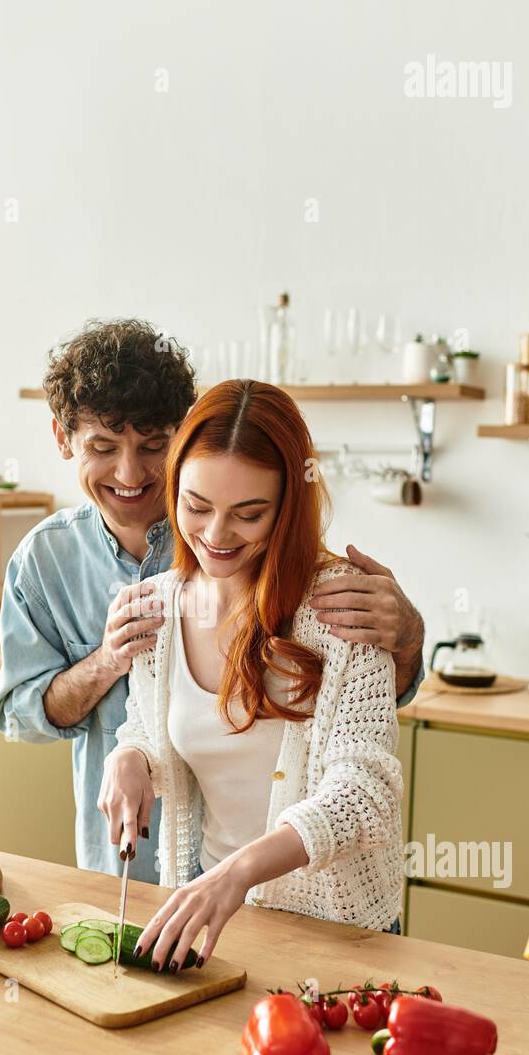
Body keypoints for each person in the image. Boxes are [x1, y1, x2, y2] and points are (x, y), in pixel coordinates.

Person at [0, 319, 424, 883]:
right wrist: (108, 666)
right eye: (102, 447)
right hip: (133, 873)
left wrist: (408, 635)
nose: (129, 473)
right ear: (63, 438)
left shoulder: (263, 561)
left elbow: (364, 745)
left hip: (296, 896)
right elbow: (24, 715)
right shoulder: (47, 561)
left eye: (152, 447)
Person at [97, 380, 403, 969]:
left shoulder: (342, 610)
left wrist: (237, 875)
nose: (215, 536)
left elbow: (365, 794)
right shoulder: (155, 608)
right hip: (214, 921)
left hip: (338, 933)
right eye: (197, 506)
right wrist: (129, 757)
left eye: (249, 514)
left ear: (288, 506)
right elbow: (148, 727)